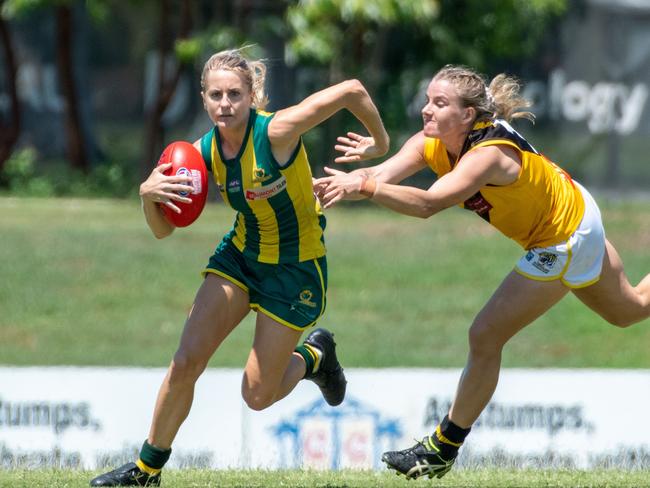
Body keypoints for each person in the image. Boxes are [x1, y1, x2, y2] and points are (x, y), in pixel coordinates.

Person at [314, 64, 650, 480]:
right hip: (574, 208)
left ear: (468, 115)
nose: (427, 111)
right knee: (630, 309)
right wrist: (347, 181)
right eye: (427, 101)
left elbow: (426, 205)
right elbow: (380, 176)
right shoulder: (433, 143)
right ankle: (443, 448)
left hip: (563, 237)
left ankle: (443, 446)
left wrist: (363, 187)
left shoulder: (487, 156)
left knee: (485, 334)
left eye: (440, 104)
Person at [90, 49, 389, 487]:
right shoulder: (201, 152)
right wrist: (148, 195)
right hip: (242, 256)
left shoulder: (278, 131)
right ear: (204, 99)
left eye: (234, 94)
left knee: (257, 395)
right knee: (186, 359)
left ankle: (315, 356)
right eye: (216, 95)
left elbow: (352, 91)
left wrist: (379, 145)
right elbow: (163, 231)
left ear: (253, 96)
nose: (225, 103)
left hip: (294, 269)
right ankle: (146, 471)